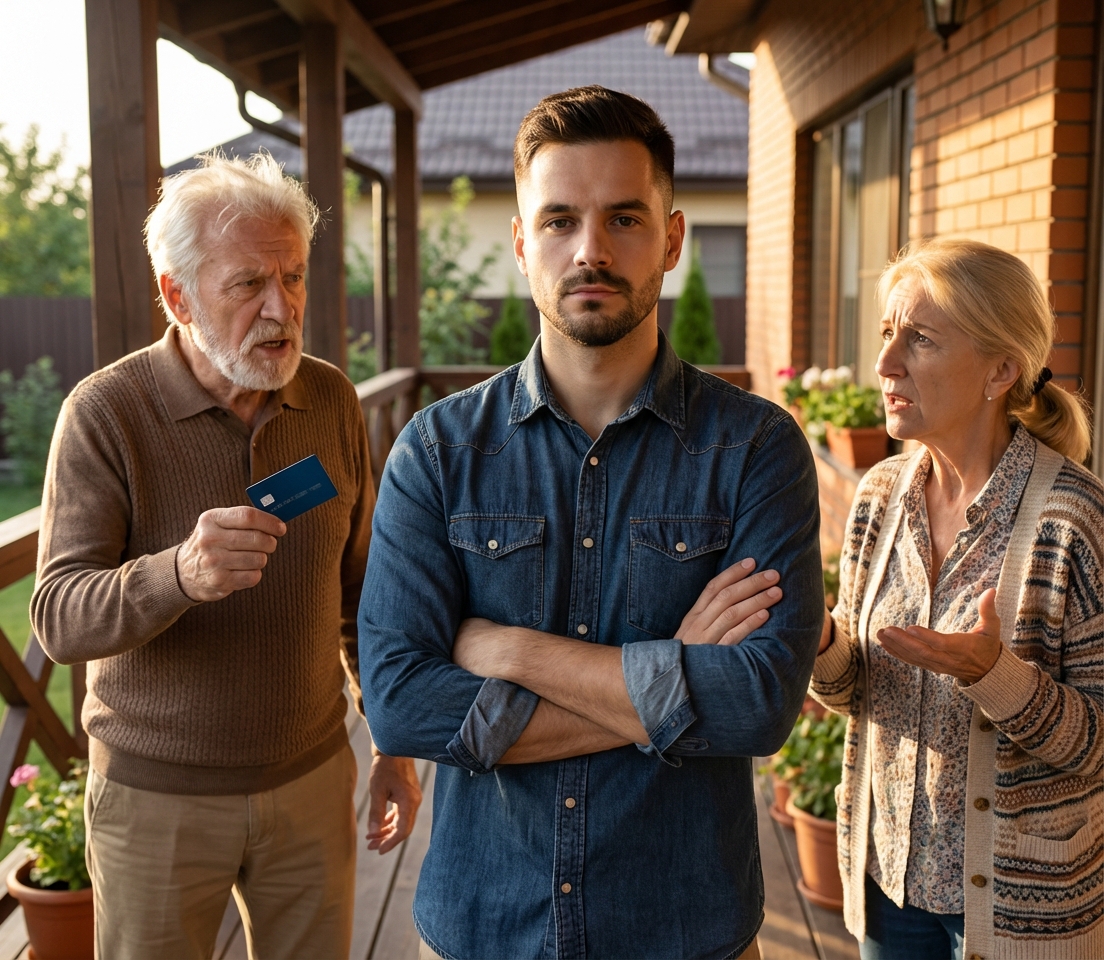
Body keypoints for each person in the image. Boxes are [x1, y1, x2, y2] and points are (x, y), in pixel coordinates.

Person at [359, 85, 824, 960]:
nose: (590, 251)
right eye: (560, 220)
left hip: (683, 930)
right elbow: (401, 704)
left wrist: (509, 649)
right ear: (521, 242)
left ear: (672, 239)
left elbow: (760, 703)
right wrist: (672, 674)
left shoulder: (756, 448)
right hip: (484, 928)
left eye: (624, 219)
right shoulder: (438, 450)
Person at [33, 153, 421, 960]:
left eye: (294, 275)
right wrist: (177, 574)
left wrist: (390, 736)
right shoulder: (105, 413)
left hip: (314, 779)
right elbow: (59, 618)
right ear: (177, 295)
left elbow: (364, 594)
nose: (282, 307)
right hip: (157, 801)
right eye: (248, 284)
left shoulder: (331, 399)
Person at [810, 238, 1102, 960]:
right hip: (888, 887)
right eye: (887, 333)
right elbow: (854, 692)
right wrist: (817, 639)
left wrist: (993, 676)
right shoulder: (879, 496)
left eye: (920, 339)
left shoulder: (1074, 521)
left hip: (1021, 914)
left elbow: (1098, 746)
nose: (885, 364)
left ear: (1001, 370)